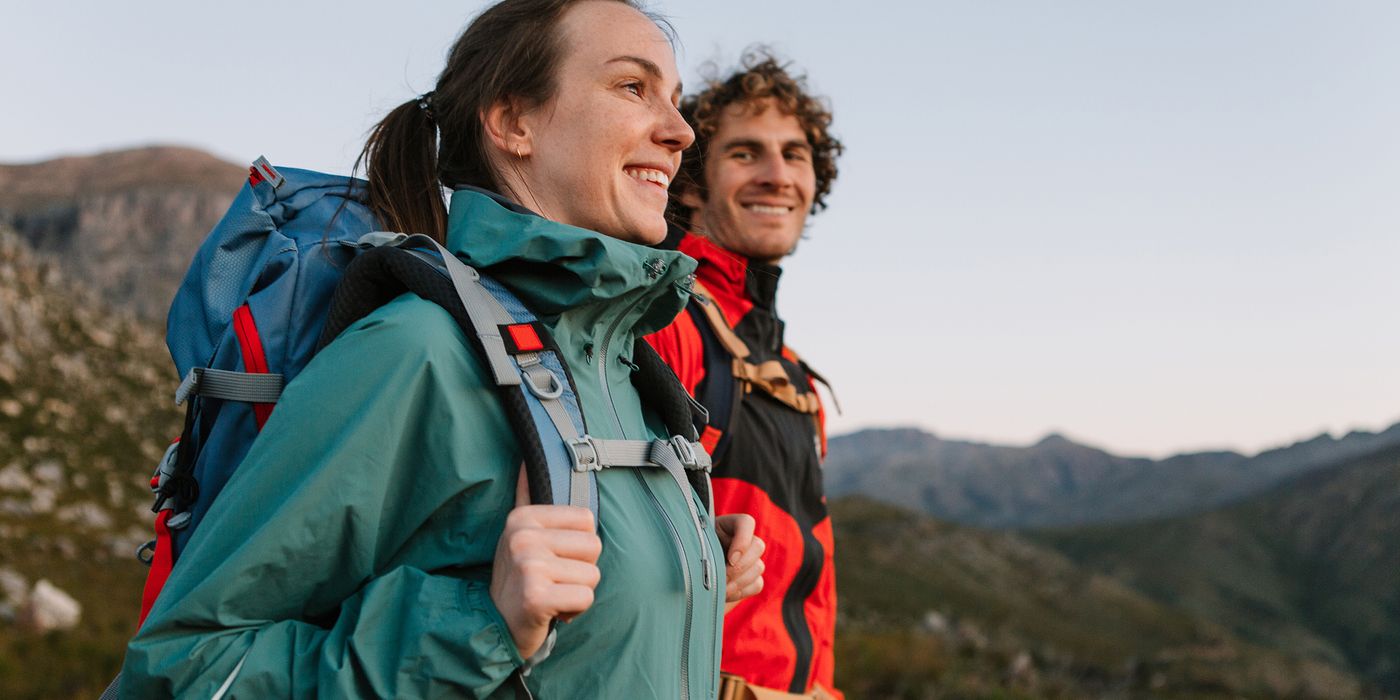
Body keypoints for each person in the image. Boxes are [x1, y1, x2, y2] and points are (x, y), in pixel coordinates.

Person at [118, 1, 764, 697]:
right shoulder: (415, 351)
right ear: (513, 121)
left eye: (674, 99)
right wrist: (481, 623)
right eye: (632, 88)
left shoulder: (628, 372)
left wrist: (677, 561)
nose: (679, 131)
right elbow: (183, 670)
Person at [647, 50, 845, 700]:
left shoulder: (798, 383)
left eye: (795, 154)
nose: (776, 174)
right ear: (693, 182)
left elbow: (808, 596)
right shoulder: (663, 326)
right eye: (744, 153)